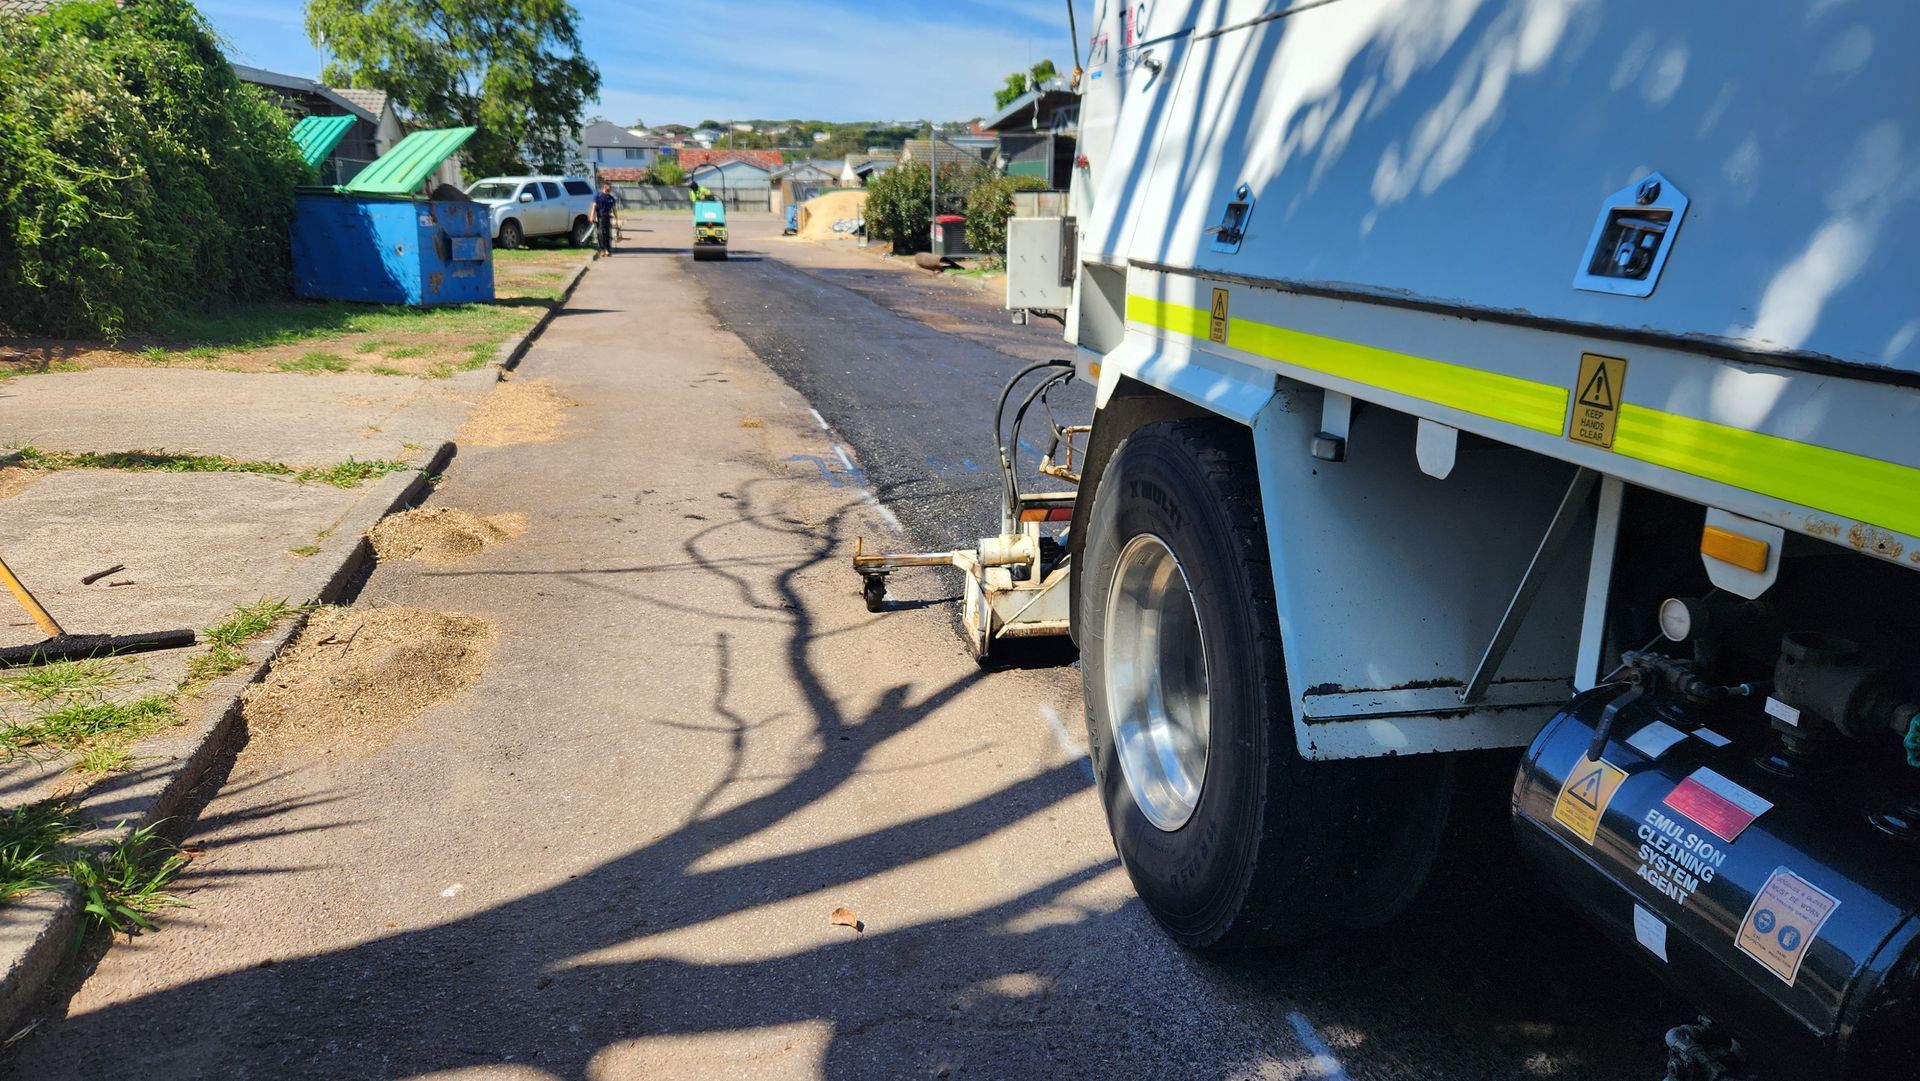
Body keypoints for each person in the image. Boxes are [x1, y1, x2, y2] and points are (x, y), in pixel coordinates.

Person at [592, 180, 618, 256]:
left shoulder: (611, 198)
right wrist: (591, 216)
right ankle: (603, 249)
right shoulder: (598, 196)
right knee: (601, 233)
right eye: (609, 186)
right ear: (605, 186)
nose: (611, 188)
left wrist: (616, 219)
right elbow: (594, 206)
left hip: (607, 217)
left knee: (607, 234)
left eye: (611, 187)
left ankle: (607, 249)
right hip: (600, 217)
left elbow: (614, 209)